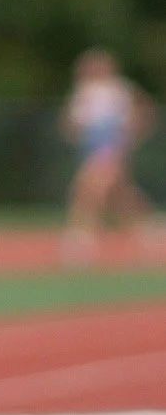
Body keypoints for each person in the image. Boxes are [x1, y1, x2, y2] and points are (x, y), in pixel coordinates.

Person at [60, 48, 158, 262]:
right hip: (91, 149)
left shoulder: (118, 90)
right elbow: (71, 124)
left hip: (111, 148)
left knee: (87, 187)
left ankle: (81, 238)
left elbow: (143, 111)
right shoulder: (82, 93)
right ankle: (148, 229)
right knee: (119, 195)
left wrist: (131, 134)